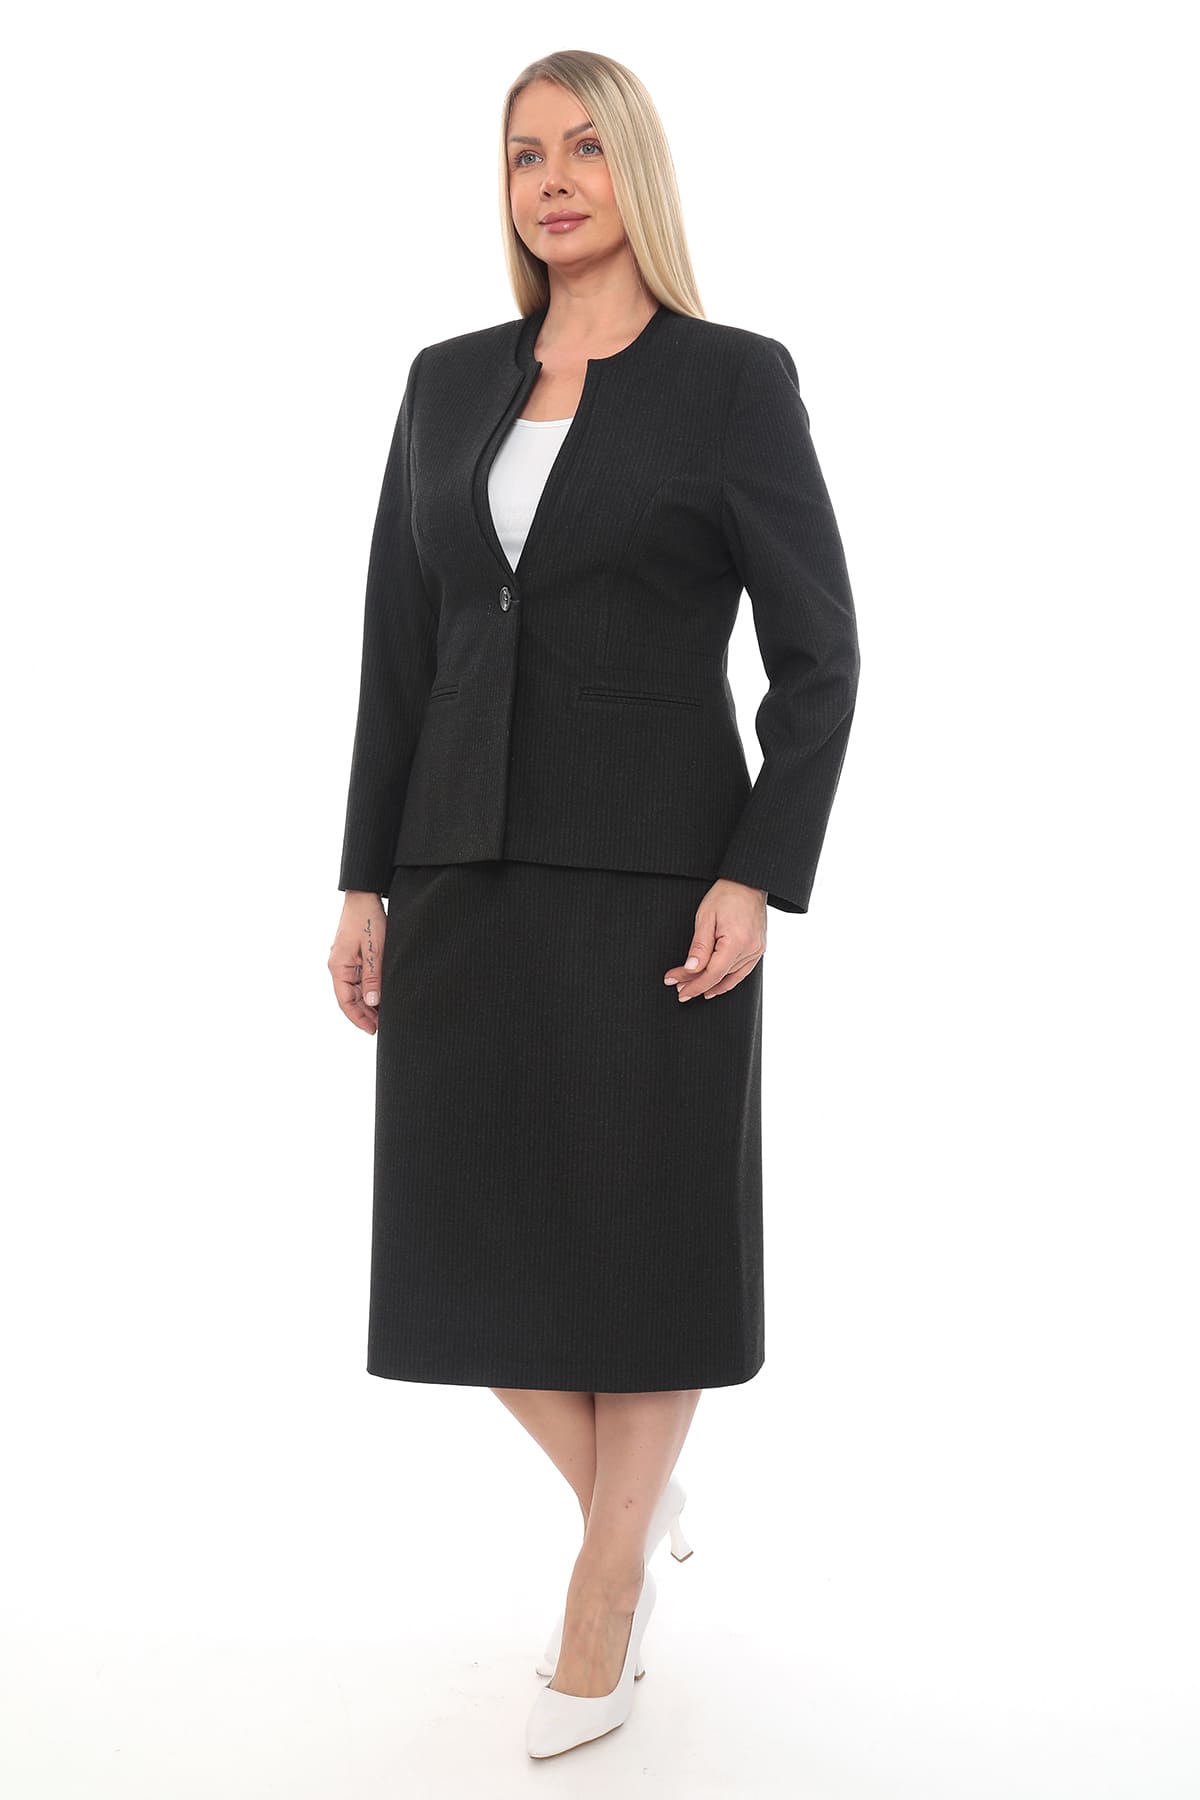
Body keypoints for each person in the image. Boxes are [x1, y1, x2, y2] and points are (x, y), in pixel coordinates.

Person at [327, 49, 860, 1760]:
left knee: (645, 1242)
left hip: (656, 883)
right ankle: (632, 1498)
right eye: (522, 156)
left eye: (581, 149)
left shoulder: (730, 382)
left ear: (635, 169)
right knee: (459, 1241)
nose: (551, 181)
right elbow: (398, 650)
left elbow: (820, 656)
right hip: (457, 864)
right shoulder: (446, 383)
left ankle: (605, 1585)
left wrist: (757, 870)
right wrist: (363, 878)